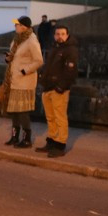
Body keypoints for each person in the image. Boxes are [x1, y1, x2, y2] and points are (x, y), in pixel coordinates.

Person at [0, 16, 43, 149]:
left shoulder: (31, 40)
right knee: (13, 110)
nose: (15, 27)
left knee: (22, 111)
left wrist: (24, 71)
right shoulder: (17, 39)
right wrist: (8, 58)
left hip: (24, 81)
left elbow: (39, 60)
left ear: (24, 26)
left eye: (17, 25)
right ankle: (14, 136)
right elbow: (15, 56)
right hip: (13, 80)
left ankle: (26, 139)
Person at [37, 25, 79, 157]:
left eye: (62, 34)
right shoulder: (55, 47)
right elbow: (49, 66)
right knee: (50, 117)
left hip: (58, 89)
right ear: (54, 35)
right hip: (48, 87)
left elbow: (70, 72)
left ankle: (60, 144)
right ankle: (52, 141)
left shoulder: (71, 50)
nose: (60, 36)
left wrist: (61, 87)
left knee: (60, 117)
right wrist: (43, 81)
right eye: (57, 34)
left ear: (67, 35)